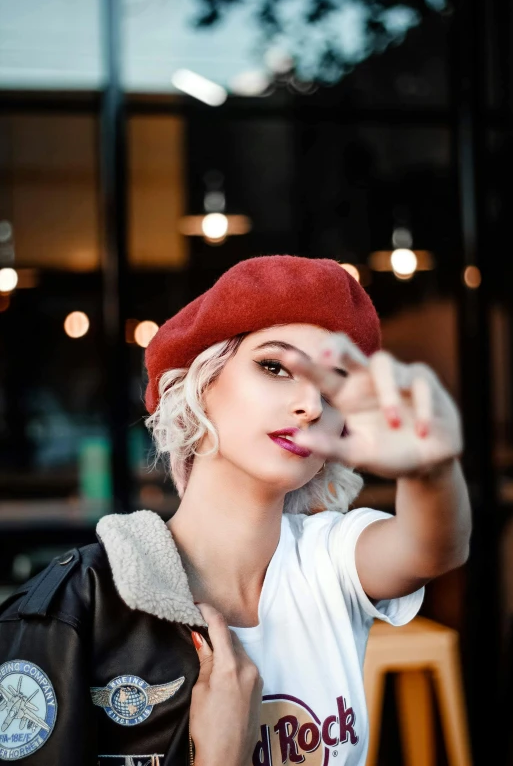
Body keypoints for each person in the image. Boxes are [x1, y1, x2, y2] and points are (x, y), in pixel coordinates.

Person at [0, 255, 471, 766]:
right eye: (274, 366)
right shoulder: (80, 606)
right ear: (201, 383)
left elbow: (433, 548)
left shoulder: (328, 560)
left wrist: (431, 465)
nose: (311, 403)